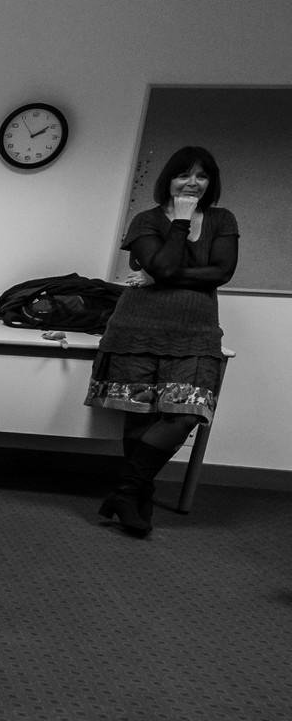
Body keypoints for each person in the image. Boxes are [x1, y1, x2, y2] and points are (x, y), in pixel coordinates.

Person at [87, 145, 238, 536]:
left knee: (186, 413)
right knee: (138, 416)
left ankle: (127, 491)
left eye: (201, 176)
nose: (192, 182)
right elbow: (164, 264)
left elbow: (221, 272)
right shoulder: (145, 220)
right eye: (183, 174)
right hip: (137, 326)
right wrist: (181, 223)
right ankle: (138, 498)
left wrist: (161, 275)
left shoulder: (223, 219)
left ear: (211, 182)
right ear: (167, 180)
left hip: (196, 332)